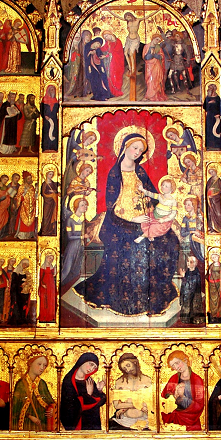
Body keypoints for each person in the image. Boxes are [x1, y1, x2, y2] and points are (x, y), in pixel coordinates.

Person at [74, 133, 179, 315]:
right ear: (125, 147)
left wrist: (160, 213)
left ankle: (153, 293)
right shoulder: (115, 173)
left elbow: (152, 194)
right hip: (120, 222)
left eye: (141, 150)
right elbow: (111, 204)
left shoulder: (140, 171)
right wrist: (132, 219)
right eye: (135, 148)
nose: (137, 152)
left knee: (170, 240)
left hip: (145, 218)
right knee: (131, 248)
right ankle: (129, 299)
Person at [60, 352, 106, 430]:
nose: (91, 369)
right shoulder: (68, 381)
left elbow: (100, 401)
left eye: (94, 367)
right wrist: (88, 395)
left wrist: (99, 390)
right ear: (83, 361)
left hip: (92, 423)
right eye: (91, 364)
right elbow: (68, 407)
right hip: (77, 424)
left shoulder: (90, 381)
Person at [161, 351, 204, 431]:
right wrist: (173, 395)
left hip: (191, 420)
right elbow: (164, 399)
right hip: (174, 418)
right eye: (173, 366)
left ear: (185, 360)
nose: (176, 367)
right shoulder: (173, 379)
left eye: (177, 363)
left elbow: (199, 405)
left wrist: (182, 397)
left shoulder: (197, 380)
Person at [12, 355, 55, 431]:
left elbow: (51, 402)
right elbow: (15, 408)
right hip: (26, 423)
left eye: (44, 365)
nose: (42, 368)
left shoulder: (42, 384)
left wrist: (52, 410)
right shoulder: (21, 384)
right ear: (30, 364)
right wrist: (29, 416)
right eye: (39, 364)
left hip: (42, 423)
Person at [135, 176, 177, 243]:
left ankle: (142, 237)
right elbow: (151, 194)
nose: (163, 187)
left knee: (154, 227)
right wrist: (142, 189)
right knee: (146, 220)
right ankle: (150, 235)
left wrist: (164, 220)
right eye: (163, 185)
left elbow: (173, 214)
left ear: (171, 189)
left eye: (166, 186)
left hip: (164, 220)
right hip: (154, 215)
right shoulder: (160, 196)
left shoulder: (173, 201)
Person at [60, 197, 89, 292]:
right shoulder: (70, 220)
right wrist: (82, 236)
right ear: (77, 207)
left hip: (80, 246)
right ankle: (58, 285)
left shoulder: (83, 220)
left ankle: (66, 287)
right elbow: (69, 237)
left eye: (85, 205)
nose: (85, 207)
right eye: (82, 205)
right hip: (72, 247)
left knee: (76, 270)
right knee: (67, 269)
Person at [179, 255, 206, 324]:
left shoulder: (196, 273)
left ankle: (195, 319)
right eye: (188, 261)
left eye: (190, 262)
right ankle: (187, 319)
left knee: (194, 307)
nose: (188, 263)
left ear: (195, 263)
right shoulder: (187, 272)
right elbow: (185, 284)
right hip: (187, 294)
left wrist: (184, 277)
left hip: (194, 294)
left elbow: (192, 284)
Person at [7, 258, 32, 325]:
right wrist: (21, 284)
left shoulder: (24, 272)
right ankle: (16, 319)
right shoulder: (15, 272)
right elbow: (14, 283)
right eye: (24, 264)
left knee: (23, 305)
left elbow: (28, 281)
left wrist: (27, 283)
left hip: (23, 292)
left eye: (26, 265)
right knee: (16, 305)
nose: (25, 266)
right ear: (21, 264)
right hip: (16, 291)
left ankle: (22, 319)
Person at [143, 34, 167, 101]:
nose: (157, 41)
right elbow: (144, 57)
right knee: (150, 80)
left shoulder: (158, 47)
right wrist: (151, 55)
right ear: (153, 39)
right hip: (149, 66)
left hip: (157, 66)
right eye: (156, 39)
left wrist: (156, 55)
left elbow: (162, 56)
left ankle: (156, 95)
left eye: (159, 41)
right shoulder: (147, 46)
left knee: (157, 80)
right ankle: (150, 95)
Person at [100, 30, 124, 97]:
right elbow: (103, 49)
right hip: (111, 63)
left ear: (110, 34)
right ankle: (111, 92)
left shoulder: (118, 42)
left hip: (118, 62)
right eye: (105, 37)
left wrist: (106, 56)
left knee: (117, 75)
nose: (106, 38)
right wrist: (97, 48)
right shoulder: (108, 43)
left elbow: (115, 52)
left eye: (106, 36)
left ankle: (117, 91)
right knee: (110, 75)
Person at [15, 171, 37, 240]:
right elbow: (18, 197)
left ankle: (30, 234)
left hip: (31, 206)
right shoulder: (21, 187)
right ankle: (22, 235)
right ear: (25, 179)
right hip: (24, 207)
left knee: (31, 221)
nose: (30, 180)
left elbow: (34, 196)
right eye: (28, 179)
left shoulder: (32, 187)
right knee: (23, 221)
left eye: (30, 178)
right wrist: (22, 196)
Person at [207, 251, 221, 323]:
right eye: (213, 257)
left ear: (218, 257)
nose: (214, 258)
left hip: (219, 284)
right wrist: (209, 274)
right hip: (212, 285)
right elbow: (207, 276)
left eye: (215, 257)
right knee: (213, 300)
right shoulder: (211, 266)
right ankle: (213, 314)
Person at [40, 170, 59, 236]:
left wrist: (55, 192)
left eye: (52, 174)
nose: (51, 176)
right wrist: (50, 194)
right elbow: (43, 193)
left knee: (52, 216)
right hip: (47, 202)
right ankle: (44, 231)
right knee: (46, 216)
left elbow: (56, 190)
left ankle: (51, 230)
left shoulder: (53, 183)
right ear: (47, 175)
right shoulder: (44, 184)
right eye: (50, 174)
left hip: (53, 202)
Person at [38, 253, 57, 322]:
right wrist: (42, 284)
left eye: (52, 259)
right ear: (46, 258)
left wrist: (55, 268)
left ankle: (51, 316)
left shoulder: (51, 266)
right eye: (50, 258)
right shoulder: (43, 266)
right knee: (45, 301)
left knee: (51, 299)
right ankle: (44, 316)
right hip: (45, 285)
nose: (51, 260)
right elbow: (40, 277)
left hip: (51, 284)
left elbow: (54, 274)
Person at [204, 83, 221, 150]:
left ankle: (217, 145)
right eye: (208, 88)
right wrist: (209, 103)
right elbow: (204, 107)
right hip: (209, 116)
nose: (208, 90)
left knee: (216, 130)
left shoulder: (217, 98)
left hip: (216, 116)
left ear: (213, 89)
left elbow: (220, 107)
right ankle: (209, 145)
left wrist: (218, 113)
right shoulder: (207, 98)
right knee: (209, 129)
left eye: (210, 89)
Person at [41, 85, 59, 152]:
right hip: (47, 120)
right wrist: (44, 115)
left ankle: (53, 147)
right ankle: (46, 147)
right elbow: (42, 110)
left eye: (54, 90)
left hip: (54, 119)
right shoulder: (44, 100)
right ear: (48, 91)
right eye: (51, 90)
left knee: (54, 132)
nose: (53, 91)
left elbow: (57, 110)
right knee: (46, 133)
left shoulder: (56, 101)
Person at [206, 166, 221, 233]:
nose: (212, 173)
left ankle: (219, 228)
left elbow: (220, 189)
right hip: (210, 199)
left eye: (212, 171)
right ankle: (212, 228)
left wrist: (214, 192)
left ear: (215, 171)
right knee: (210, 213)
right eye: (210, 172)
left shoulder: (219, 180)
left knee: (218, 214)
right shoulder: (210, 180)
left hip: (216, 200)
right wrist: (209, 193)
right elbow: (206, 188)